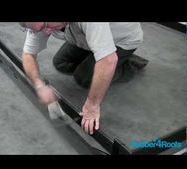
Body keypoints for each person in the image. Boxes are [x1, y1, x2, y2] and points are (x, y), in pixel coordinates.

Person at [20, 22, 148, 134]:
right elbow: (28, 55)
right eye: (39, 29)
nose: (46, 31)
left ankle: (129, 64)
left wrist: (92, 107)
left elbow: (108, 60)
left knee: (84, 78)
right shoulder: (39, 23)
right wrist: (38, 85)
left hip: (122, 39)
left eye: (45, 25)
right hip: (86, 36)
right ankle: (98, 51)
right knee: (60, 63)